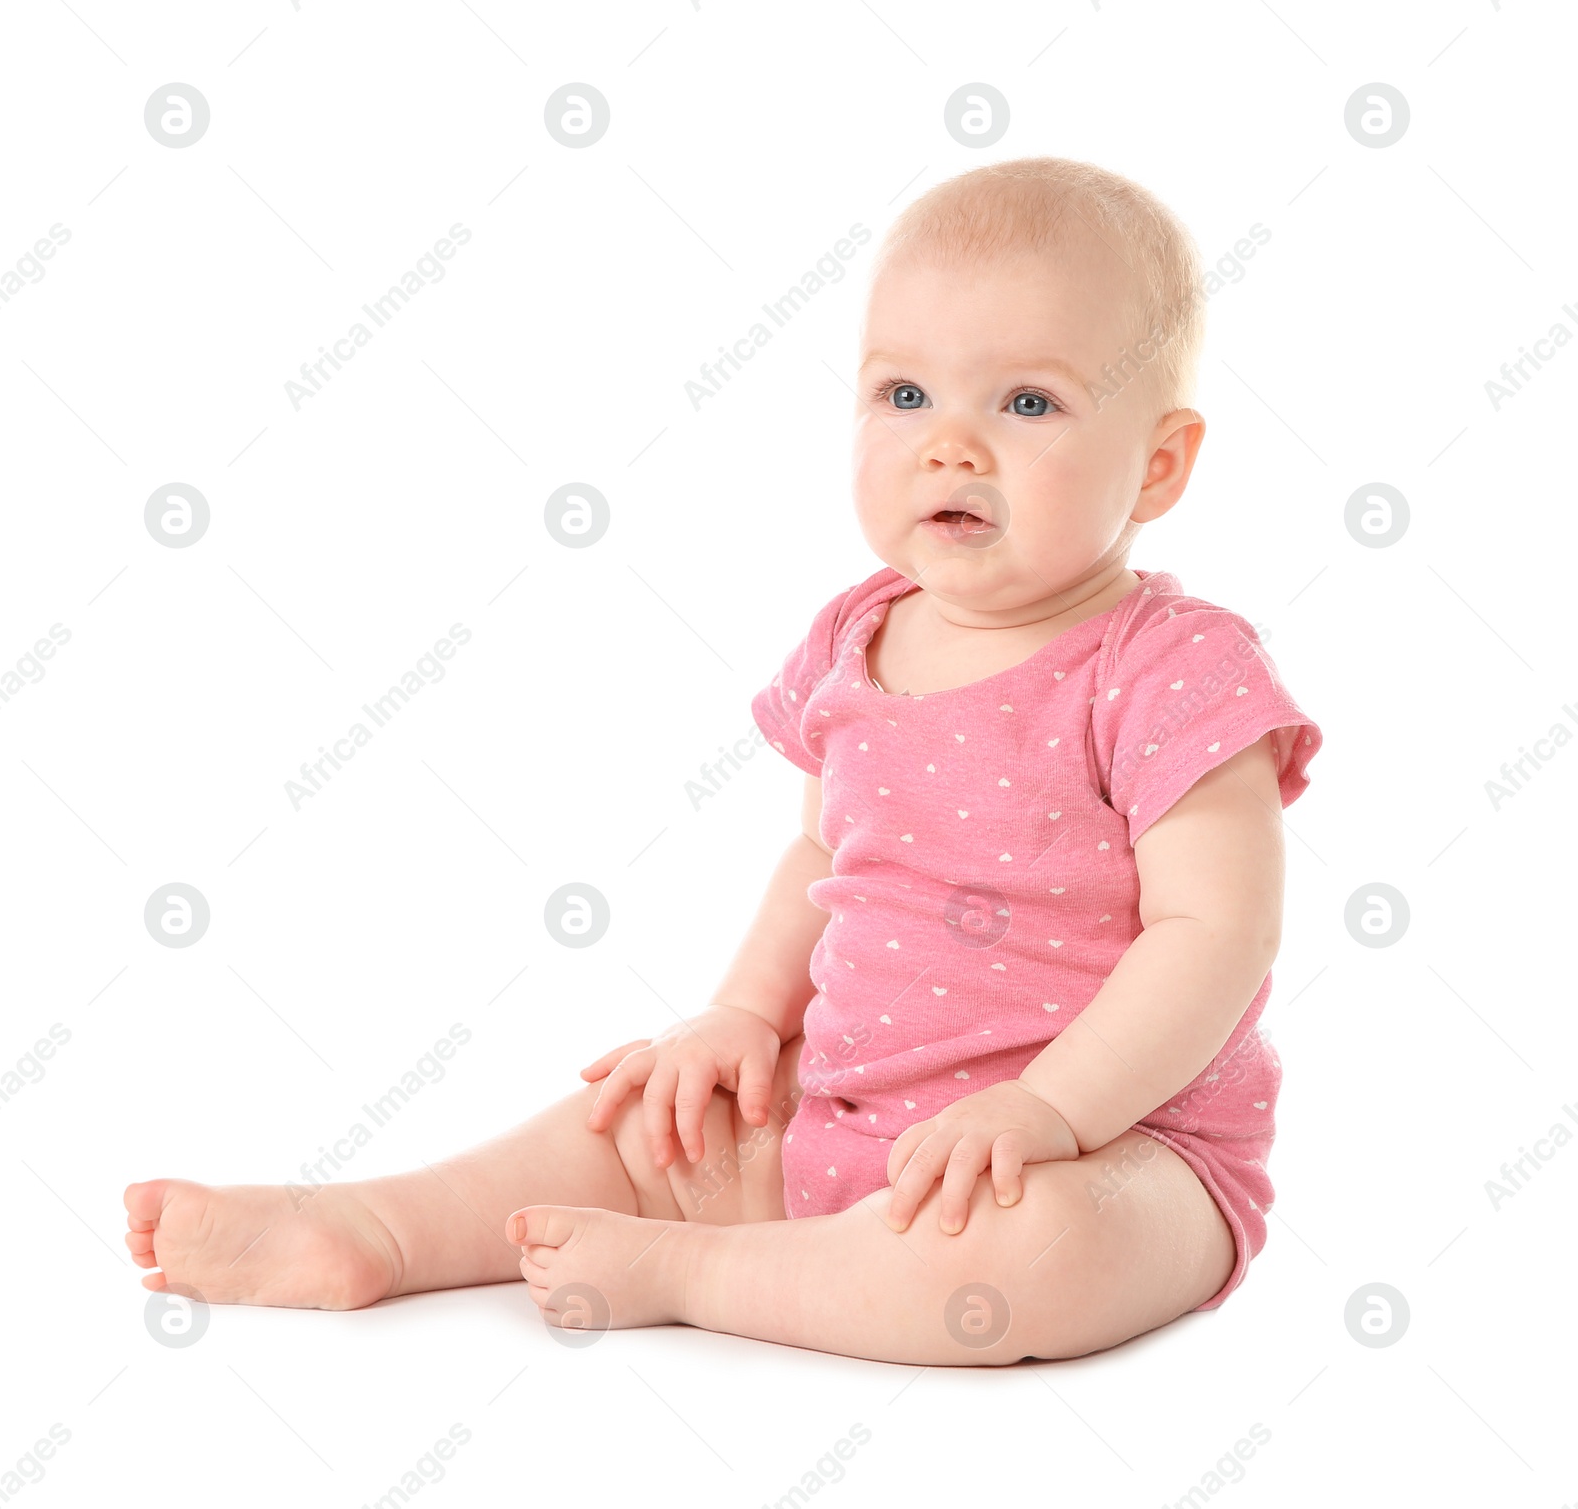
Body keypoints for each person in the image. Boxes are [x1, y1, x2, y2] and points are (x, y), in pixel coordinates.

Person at [124, 155, 1322, 1365]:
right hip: (848, 1111)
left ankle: (699, 1270)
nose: (949, 445)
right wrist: (744, 1014)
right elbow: (823, 849)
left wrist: (1049, 1110)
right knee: (659, 1115)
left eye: (1025, 405)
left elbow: (1213, 934)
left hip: (1120, 1146)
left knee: (1033, 1253)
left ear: (1159, 463)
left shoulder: (1169, 666)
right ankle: (376, 1225)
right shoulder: (856, 636)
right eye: (903, 395)